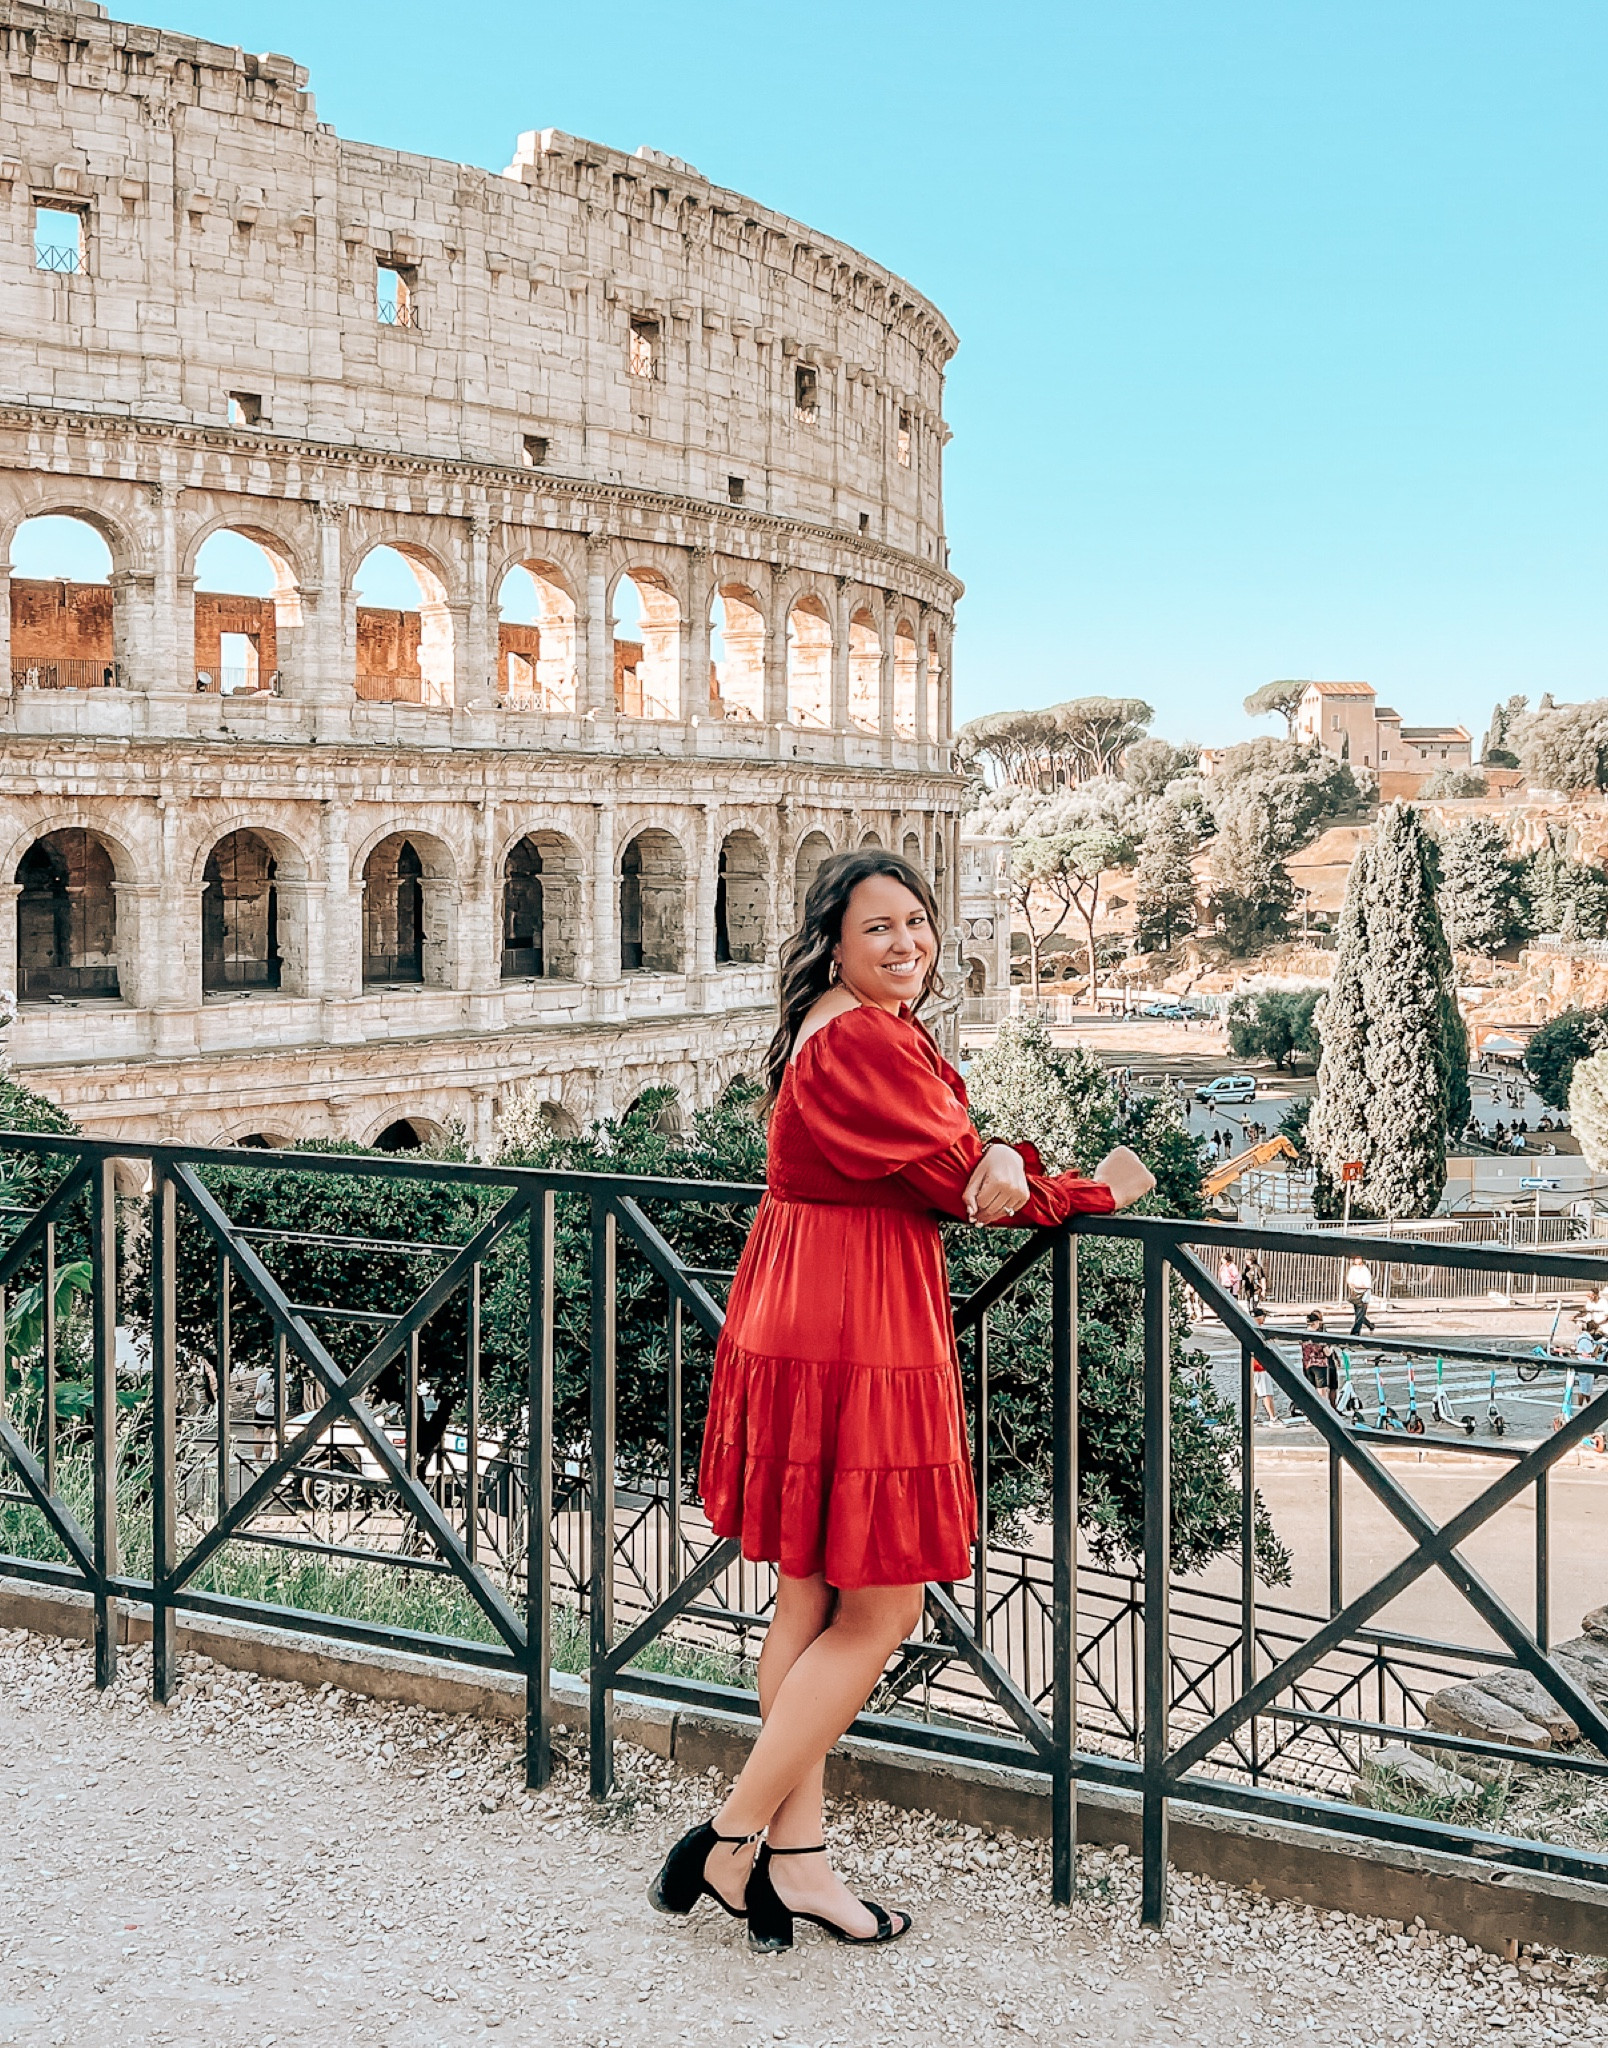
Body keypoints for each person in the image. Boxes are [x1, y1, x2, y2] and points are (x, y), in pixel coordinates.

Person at [648, 850, 1156, 1952]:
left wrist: (1001, 1160)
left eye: (918, 923)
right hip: (852, 1327)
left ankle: (800, 1865)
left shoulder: (837, 1027)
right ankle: (729, 1842)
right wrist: (1100, 1184)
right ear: (834, 939)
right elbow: (963, 1177)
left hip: (800, 1304)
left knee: (808, 1608)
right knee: (883, 1611)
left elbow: (958, 1164)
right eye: (879, 927)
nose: (907, 943)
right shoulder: (867, 1038)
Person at [1300, 1311, 1339, 1407]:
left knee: (1311, 1391)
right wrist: (1333, 1346)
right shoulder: (1319, 1337)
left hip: (1307, 1365)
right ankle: (1324, 1413)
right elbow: (1327, 1352)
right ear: (1316, 1322)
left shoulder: (1303, 1335)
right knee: (1321, 1393)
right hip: (1320, 1366)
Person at [1248, 1304, 1278, 1425]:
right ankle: (1272, 1417)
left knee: (1253, 1394)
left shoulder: (1248, 1329)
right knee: (1267, 1393)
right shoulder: (1258, 1330)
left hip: (1251, 1365)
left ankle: (1251, 1417)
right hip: (1260, 1366)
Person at [1344, 1256, 1375, 1336]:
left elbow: (1367, 1285)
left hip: (1364, 1294)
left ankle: (1355, 1333)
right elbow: (1350, 1281)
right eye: (1355, 1258)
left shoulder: (1365, 1271)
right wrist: (1356, 1286)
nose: (1356, 1260)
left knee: (1360, 1315)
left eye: (1358, 1258)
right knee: (1359, 1314)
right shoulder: (1353, 1269)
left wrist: (1357, 1285)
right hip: (1356, 1293)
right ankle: (1370, 1325)